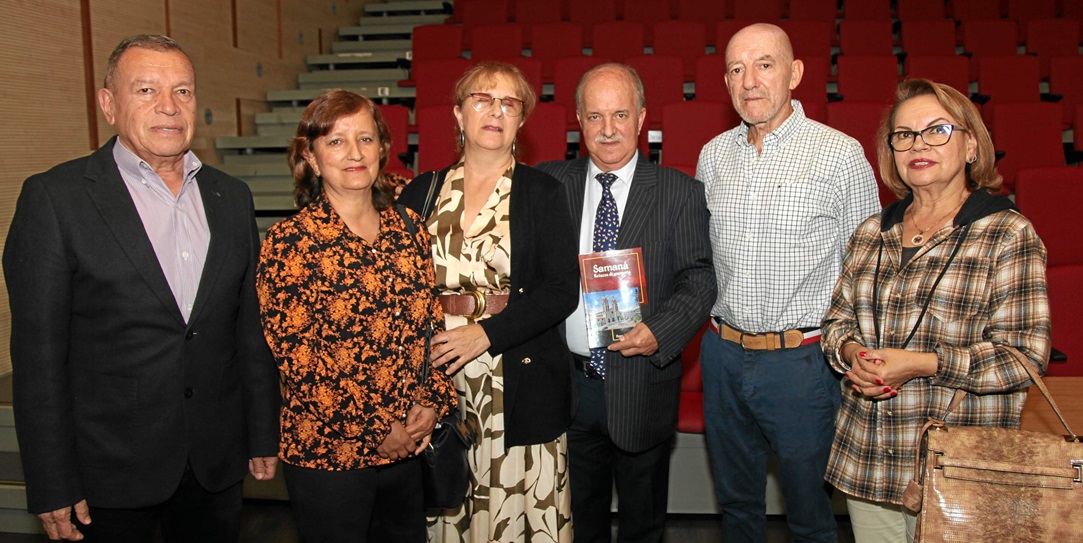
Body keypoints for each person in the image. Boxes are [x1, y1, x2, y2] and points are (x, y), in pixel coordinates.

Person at [3, 34, 280, 542]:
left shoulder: (230, 198)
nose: (169, 107)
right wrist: (51, 481)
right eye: (147, 90)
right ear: (109, 104)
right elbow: (38, 359)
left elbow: (248, 331)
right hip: (107, 476)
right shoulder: (55, 200)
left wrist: (261, 431)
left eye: (183, 91)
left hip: (213, 468)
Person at [821, 79, 1051, 542]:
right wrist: (850, 354)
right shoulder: (872, 232)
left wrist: (923, 364)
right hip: (870, 457)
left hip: (959, 463)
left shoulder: (1006, 234)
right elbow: (836, 321)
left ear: (970, 145)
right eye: (904, 135)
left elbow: (1025, 358)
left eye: (937, 130)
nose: (918, 145)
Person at [695, 23, 880, 542]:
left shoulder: (840, 154)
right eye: (736, 69)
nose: (749, 80)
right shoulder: (713, 156)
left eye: (765, 64)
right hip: (723, 355)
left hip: (802, 364)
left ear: (795, 73)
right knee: (736, 509)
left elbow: (867, 268)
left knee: (808, 516)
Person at [255, 89, 457, 543]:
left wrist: (431, 400)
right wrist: (375, 426)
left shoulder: (409, 229)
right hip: (329, 454)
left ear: (383, 149)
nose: (354, 153)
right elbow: (298, 358)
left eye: (365, 139)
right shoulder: (290, 242)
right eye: (336, 141)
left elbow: (430, 326)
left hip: (408, 445)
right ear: (310, 154)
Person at [397, 62, 579, 542]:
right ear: (459, 114)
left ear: (521, 121)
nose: (495, 111)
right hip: (438, 375)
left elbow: (562, 289)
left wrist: (485, 334)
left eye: (509, 103)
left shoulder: (543, 192)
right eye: (482, 99)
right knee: (450, 502)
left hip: (515, 375)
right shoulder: (422, 191)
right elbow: (400, 293)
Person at [536, 64, 715, 543]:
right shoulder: (548, 186)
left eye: (620, 115)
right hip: (567, 389)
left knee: (643, 524)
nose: (608, 129)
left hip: (641, 384)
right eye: (595, 116)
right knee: (578, 524)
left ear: (640, 119)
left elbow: (700, 279)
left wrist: (662, 330)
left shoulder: (681, 193)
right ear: (578, 119)